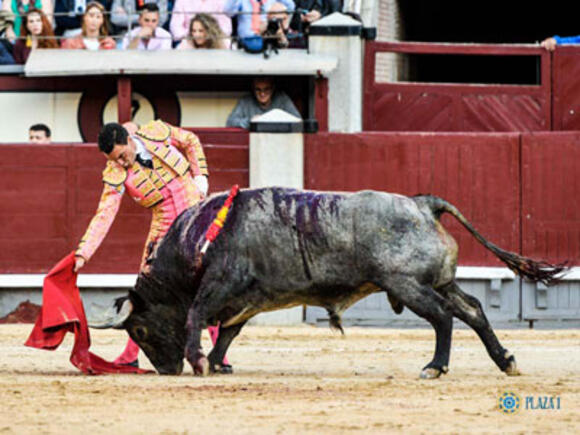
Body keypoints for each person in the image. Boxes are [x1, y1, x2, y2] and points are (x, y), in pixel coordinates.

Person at [74, 120, 232, 372]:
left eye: (123, 155)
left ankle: (219, 355)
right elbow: (104, 214)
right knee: (146, 289)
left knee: (207, 280)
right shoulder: (115, 172)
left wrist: (200, 175)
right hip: (165, 225)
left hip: (196, 214)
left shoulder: (155, 133)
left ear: (128, 140)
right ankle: (129, 354)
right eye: (116, 159)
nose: (122, 163)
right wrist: (83, 253)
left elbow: (190, 140)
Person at [226, 76, 301, 128]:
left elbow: (298, 120)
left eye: (266, 89)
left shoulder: (282, 99)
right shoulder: (246, 101)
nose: (262, 94)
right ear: (253, 89)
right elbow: (230, 122)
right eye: (258, 89)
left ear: (272, 89)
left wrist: (275, 120)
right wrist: (249, 122)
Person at [224, 0, 294, 52]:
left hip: (267, 41)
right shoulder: (242, 1)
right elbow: (228, 12)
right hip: (245, 42)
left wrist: (284, 24)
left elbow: (291, 6)